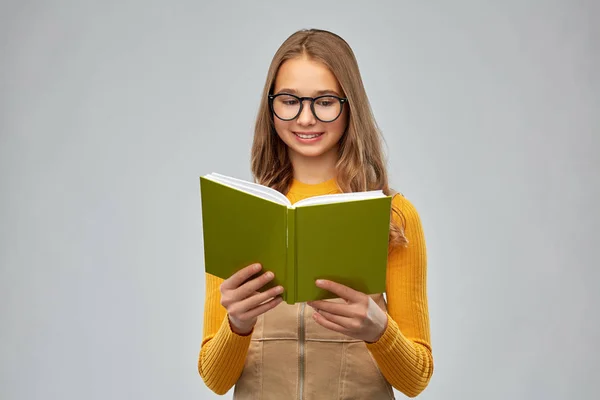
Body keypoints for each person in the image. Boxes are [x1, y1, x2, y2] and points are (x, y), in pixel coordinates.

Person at [198, 28, 433, 399]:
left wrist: (378, 330)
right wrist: (237, 324)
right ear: (271, 105)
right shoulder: (240, 213)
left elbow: (416, 379)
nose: (305, 119)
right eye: (289, 100)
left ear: (349, 104)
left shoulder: (393, 217)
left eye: (324, 102)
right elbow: (215, 379)